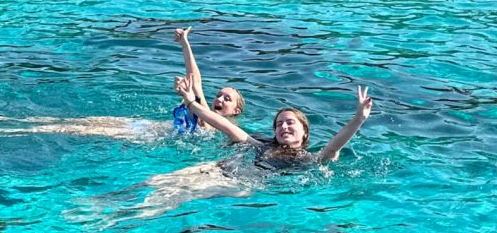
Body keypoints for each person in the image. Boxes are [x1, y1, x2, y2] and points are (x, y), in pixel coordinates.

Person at [111, 75, 373, 220]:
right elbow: (223, 125)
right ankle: (104, 203)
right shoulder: (259, 143)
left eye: (290, 123)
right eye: (279, 124)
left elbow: (333, 149)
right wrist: (191, 103)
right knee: (156, 181)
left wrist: (358, 119)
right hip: (219, 169)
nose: (283, 127)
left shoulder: (309, 159)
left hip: (244, 183)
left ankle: (118, 219)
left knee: (175, 196)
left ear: (305, 132)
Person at [0, 27, 246, 140]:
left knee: (71, 130)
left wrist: (185, 46)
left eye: (227, 99)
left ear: (235, 111)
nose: (219, 99)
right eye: (220, 95)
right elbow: (196, 77)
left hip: (147, 137)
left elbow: (195, 80)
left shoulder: (212, 123)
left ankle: (5, 130)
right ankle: (9, 119)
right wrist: (185, 43)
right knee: (85, 120)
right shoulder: (205, 111)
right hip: (143, 125)